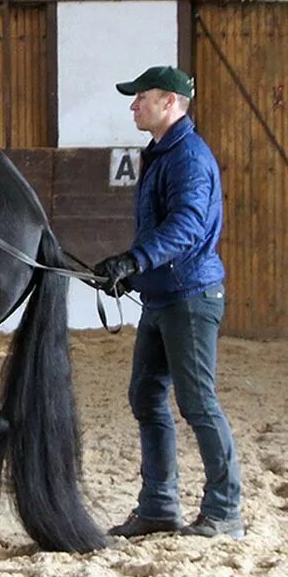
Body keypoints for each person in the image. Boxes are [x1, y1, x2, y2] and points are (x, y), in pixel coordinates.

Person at [94, 65, 243, 540]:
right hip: (163, 297)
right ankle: (158, 506)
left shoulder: (188, 158)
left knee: (198, 402)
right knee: (146, 395)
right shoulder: (161, 154)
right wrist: (133, 276)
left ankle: (225, 512)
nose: (133, 105)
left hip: (190, 297)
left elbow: (187, 228)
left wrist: (134, 260)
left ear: (170, 102)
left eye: (141, 97)